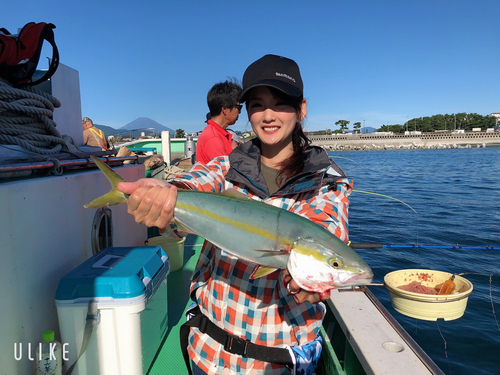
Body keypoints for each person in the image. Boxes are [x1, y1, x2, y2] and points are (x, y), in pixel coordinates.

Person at [118, 54, 353, 375]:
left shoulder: (327, 181)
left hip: (277, 360)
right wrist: (163, 197)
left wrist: (313, 283)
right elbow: (193, 183)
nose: (268, 115)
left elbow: (329, 233)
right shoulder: (225, 167)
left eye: (281, 103)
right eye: (257, 105)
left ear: (302, 108)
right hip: (209, 352)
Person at [196, 81, 242, 164]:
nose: (240, 112)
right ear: (225, 109)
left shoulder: (220, 134)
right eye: (238, 107)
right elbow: (226, 172)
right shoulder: (213, 138)